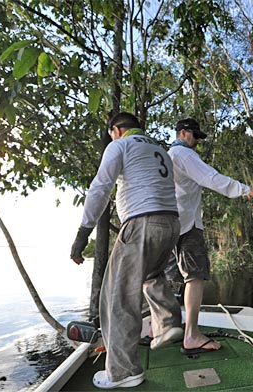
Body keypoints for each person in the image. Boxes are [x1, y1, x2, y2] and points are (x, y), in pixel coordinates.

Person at [70, 112, 184, 389]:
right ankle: (169, 323)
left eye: (110, 134)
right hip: (170, 224)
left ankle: (123, 371)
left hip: (141, 223)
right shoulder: (159, 149)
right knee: (151, 276)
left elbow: (100, 187)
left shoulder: (120, 145)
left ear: (117, 130)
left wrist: (82, 234)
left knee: (117, 296)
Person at [168, 118, 253, 355]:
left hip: (169, 224)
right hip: (187, 224)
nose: (197, 141)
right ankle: (191, 335)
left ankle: (164, 326)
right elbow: (211, 178)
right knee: (195, 276)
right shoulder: (183, 154)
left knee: (169, 278)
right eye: (195, 136)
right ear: (183, 133)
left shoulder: (166, 156)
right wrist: (246, 189)